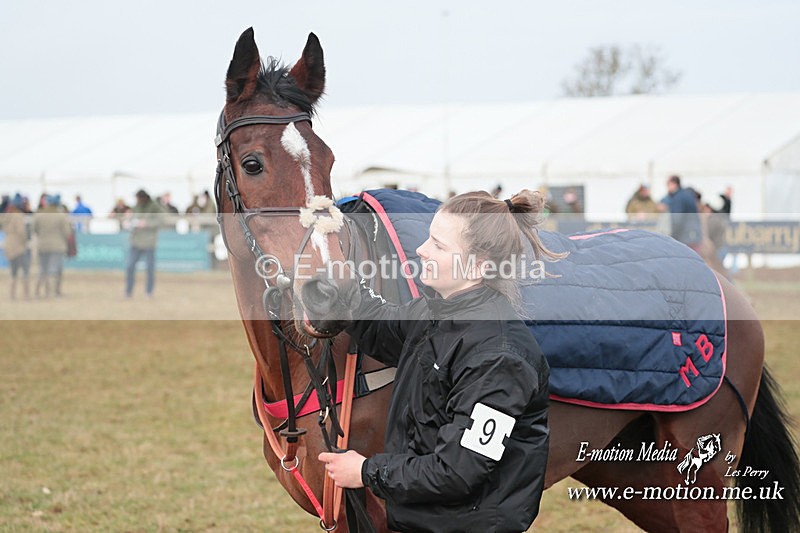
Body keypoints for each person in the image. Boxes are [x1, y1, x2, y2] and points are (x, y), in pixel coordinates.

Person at [319, 190, 561, 533]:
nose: (421, 250)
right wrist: (340, 286)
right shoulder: (435, 311)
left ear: (478, 265)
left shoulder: (500, 358)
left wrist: (365, 472)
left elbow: (458, 470)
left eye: (439, 245)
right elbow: (381, 327)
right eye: (428, 238)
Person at [125, 189, 164, 298]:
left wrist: (147, 223)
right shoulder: (136, 207)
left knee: (149, 268)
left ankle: (149, 292)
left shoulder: (154, 207)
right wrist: (129, 222)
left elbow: (162, 220)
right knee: (130, 266)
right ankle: (128, 291)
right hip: (136, 241)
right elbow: (131, 218)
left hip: (149, 242)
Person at [32, 194, 73, 298]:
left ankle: (37, 292)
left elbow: (34, 229)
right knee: (55, 270)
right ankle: (54, 292)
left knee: (42, 269)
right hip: (57, 246)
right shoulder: (61, 216)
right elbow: (67, 232)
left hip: (42, 245)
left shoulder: (39, 215)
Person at [659, 175, 702, 252]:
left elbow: (677, 219)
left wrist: (673, 236)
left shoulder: (678, 198)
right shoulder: (686, 195)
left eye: (668, 184)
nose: (667, 188)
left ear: (674, 184)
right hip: (693, 235)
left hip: (685, 237)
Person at [4, 194, 32, 299]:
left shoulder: (7, 216)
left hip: (9, 245)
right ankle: (26, 294)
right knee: (25, 271)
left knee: (13, 273)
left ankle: (12, 294)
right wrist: (25, 242)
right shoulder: (19, 215)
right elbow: (21, 232)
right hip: (18, 247)